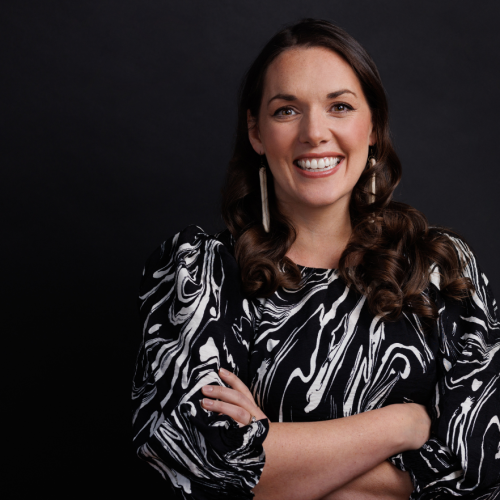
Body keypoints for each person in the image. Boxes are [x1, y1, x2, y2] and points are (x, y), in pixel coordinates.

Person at [131, 19, 500, 500]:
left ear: (373, 127)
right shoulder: (200, 275)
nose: (314, 133)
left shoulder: (441, 268)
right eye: (287, 110)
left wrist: (273, 448)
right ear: (256, 131)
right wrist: (403, 425)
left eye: (340, 107)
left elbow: (481, 474)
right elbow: (199, 467)